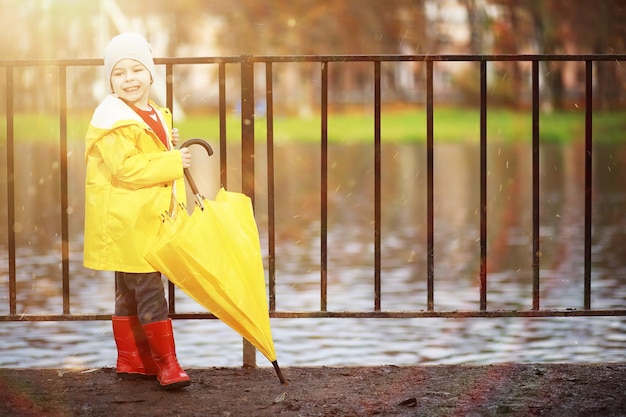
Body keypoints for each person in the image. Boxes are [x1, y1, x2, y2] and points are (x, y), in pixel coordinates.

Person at [83, 33, 192, 390]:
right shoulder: (111, 118)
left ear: (151, 75)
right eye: (118, 73)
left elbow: (146, 145)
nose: (128, 79)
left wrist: (166, 141)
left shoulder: (155, 113)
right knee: (149, 290)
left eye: (136, 70)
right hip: (127, 219)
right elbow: (126, 168)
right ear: (110, 81)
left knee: (128, 290)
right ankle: (167, 364)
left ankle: (131, 359)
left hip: (142, 216)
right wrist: (173, 161)